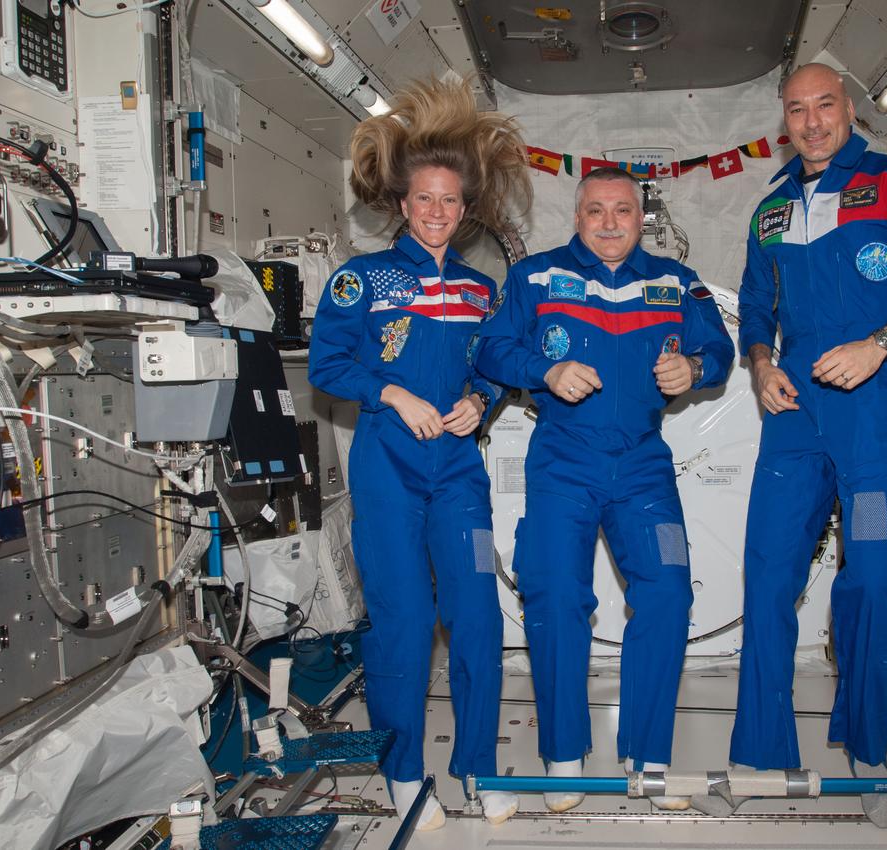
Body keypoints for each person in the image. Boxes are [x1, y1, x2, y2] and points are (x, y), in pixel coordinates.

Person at [727, 63, 887, 827]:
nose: (810, 123)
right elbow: (754, 306)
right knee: (768, 579)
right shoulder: (770, 209)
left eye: (824, 107)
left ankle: (867, 750)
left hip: (872, 419)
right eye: (796, 110)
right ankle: (762, 751)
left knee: (872, 578)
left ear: (850, 111)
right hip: (794, 420)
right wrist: (763, 364)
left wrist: (879, 343)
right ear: (784, 120)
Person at [307, 78, 531, 830]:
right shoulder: (360, 281)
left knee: (476, 617)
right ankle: (404, 771)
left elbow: (490, 369)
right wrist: (392, 394)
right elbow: (327, 365)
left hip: (458, 476)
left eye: (451, 202)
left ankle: (481, 765)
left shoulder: (478, 290)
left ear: (466, 211)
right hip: (389, 473)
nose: (437, 213)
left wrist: (480, 401)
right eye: (424, 200)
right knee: (401, 623)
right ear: (402, 204)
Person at [475, 167, 734, 812]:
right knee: (556, 593)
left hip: (644, 467)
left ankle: (647, 754)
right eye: (597, 211)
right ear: (578, 216)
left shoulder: (675, 282)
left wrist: (695, 367)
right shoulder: (536, 277)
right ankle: (564, 754)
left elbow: (722, 352)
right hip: (562, 461)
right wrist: (545, 368)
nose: (611, 222)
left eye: (622, 210)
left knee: (669, 592)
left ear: (641, 216)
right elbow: (491, 350)